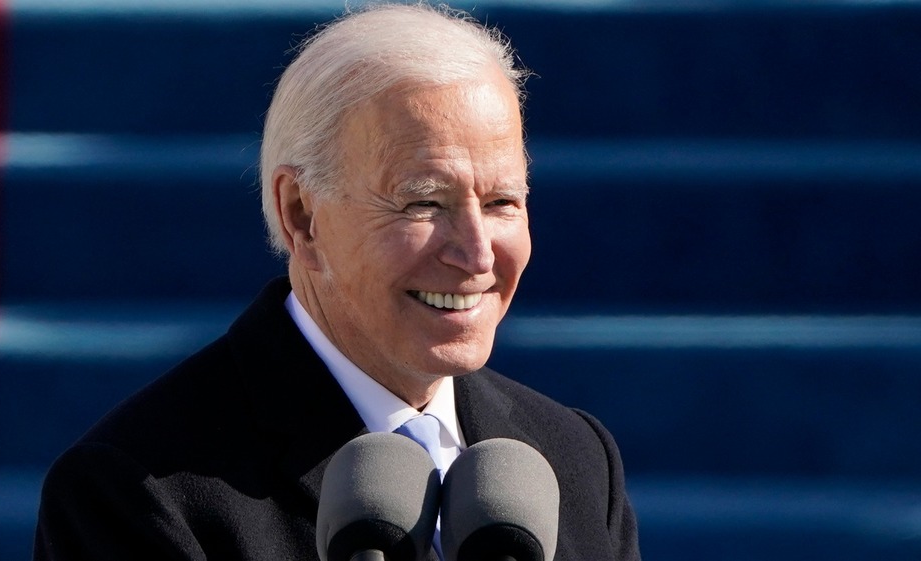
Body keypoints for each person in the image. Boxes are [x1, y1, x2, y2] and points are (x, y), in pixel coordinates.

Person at [33, 3, 640, 560]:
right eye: (424, 203)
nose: (476, 254)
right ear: (302, 214)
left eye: (503, 201)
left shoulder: (576, 459)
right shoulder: (133, 491)